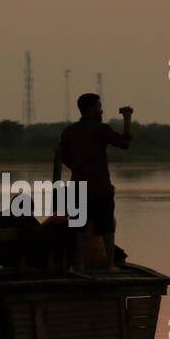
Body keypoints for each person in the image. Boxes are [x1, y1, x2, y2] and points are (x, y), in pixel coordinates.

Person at [56, 93, 132, 270]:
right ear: (91, 109)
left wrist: (77, 168)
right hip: (100, 187)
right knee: (106, 227)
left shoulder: (70, 131)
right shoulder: (100, 129)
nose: (101, 110)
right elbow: (124, 144)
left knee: (78, 226)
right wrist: (127, 120)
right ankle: (110, 264)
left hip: (78, 186)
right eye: (99, 107)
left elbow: (62, 155)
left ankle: (80, 263)